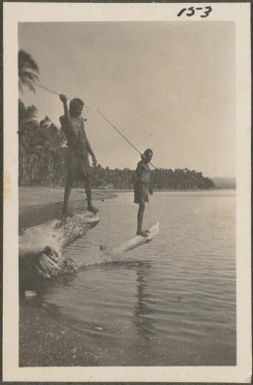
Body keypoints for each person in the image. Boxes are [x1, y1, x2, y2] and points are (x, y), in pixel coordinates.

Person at [59, 94, 98, 218]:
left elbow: (85, 138)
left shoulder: (81, 121)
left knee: (87, 178)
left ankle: (89, 205)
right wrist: (64, 103)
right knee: (70, 179)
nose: (81, 111)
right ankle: (65, 208)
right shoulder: (65, 118)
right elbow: (69, 122)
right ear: (73, 108)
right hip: (73, 152)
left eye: (81, 109)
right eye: (79, 108)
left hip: (83, 152)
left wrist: (92, 154)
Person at [134, 148, 153, 236]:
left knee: (143, 207)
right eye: (148, 156)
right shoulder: (141, 164)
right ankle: (139, 230)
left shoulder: (147, 165)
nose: (150, 159)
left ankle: (140, 229)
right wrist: (141, 160)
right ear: (145, 156)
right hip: (140, 186)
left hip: (145, 187)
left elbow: (146, 177)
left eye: (151, 157)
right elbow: (137, 174)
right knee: (141, 207)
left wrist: (149, 188)